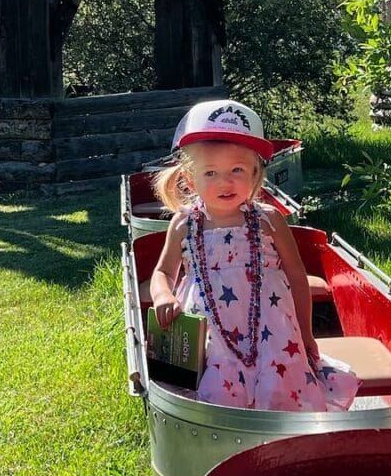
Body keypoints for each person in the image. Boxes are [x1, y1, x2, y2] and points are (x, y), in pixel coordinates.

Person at [148, 100, 359, 412]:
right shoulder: (185, 223)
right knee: (218, 390)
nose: (226, 181)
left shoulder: (269, 220)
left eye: (237, 170)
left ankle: (281, 440)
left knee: (279, 385)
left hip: (273, 331)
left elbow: (298, 280)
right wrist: (163, 295)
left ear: (255, 173)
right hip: (211, 332)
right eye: (211, 173)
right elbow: (163, 272)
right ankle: (223, 439)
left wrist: (306, 334)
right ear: (190, 180)